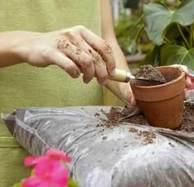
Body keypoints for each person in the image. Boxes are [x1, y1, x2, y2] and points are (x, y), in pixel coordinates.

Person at [0, 0, 134, 186]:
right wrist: (24, 43)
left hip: (89, 153)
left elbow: (105, 40)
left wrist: (134, 91)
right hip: (11, 154)